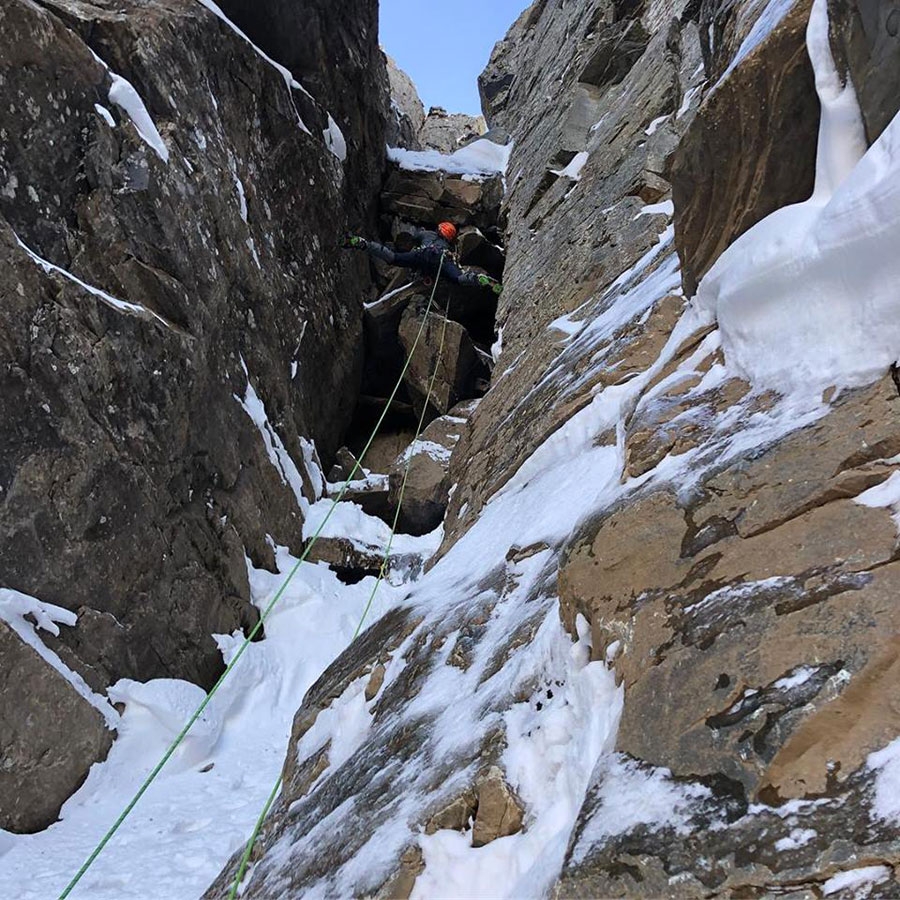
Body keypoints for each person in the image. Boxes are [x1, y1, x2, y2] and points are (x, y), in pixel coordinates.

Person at [342, 221, 503, 295]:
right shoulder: (449, 248)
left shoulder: (427, 234)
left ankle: (363, 244)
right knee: (458, 278)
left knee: (393, 258)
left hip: (423, 253)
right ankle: (478, 279)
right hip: (442, 259)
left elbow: (412, 238)